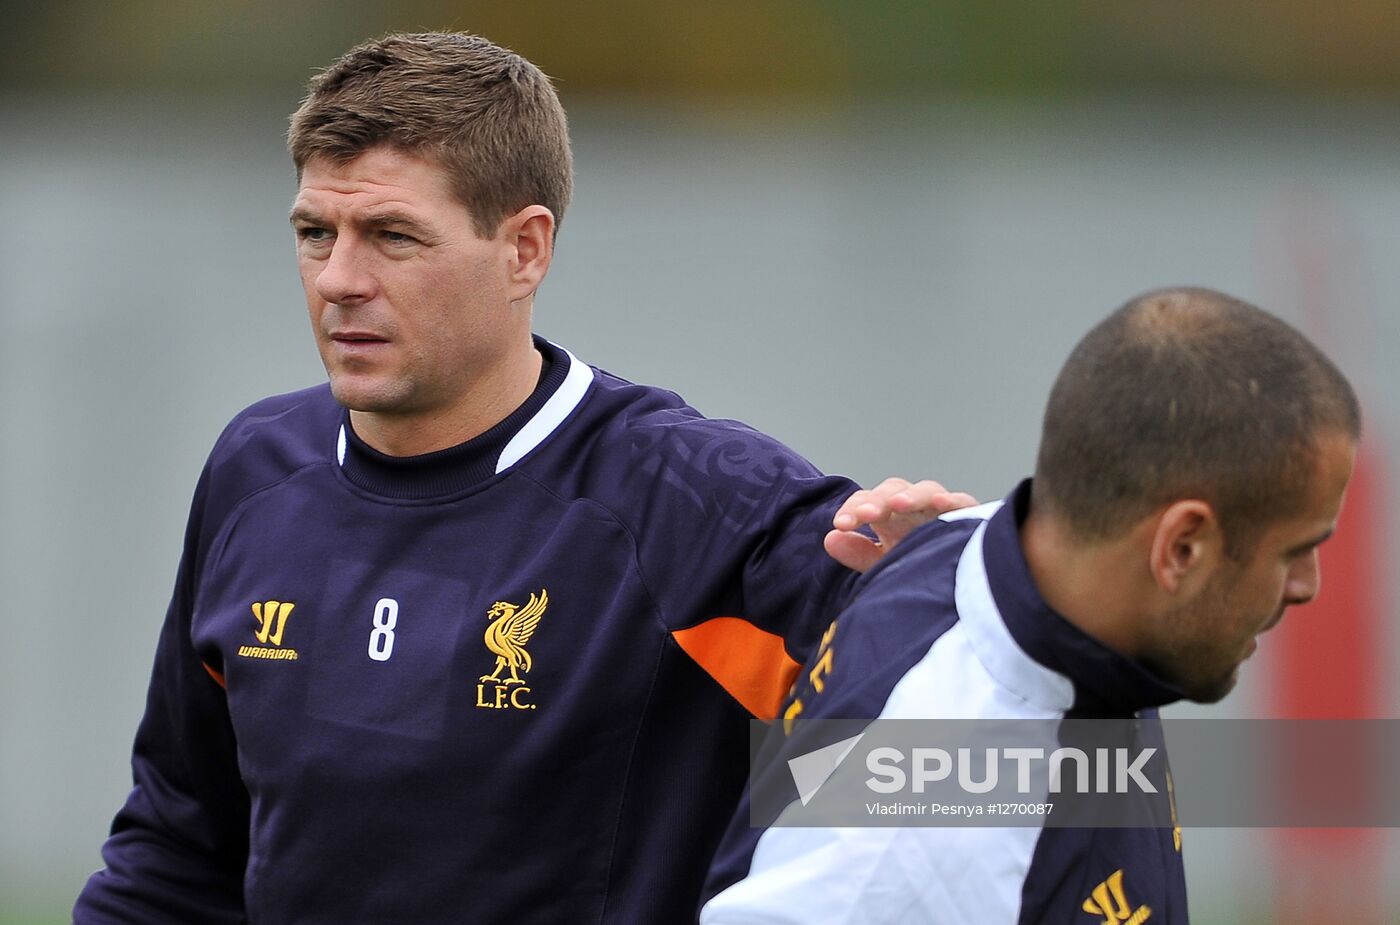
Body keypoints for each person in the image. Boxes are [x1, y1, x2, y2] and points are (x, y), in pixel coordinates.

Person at [73, 31, 970, 925]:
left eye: (392, 236)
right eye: (316, 233)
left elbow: (1005, 765)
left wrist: (965, 590)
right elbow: (180, 847)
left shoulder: (688, 495)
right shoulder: (256, 469)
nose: (339, 279)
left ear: (524, 249)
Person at [701, 287, 1360, 924]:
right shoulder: (907, 845)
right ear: (1181, 547)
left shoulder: (1011, 555)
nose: (1308, 584)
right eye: (1293, 550)